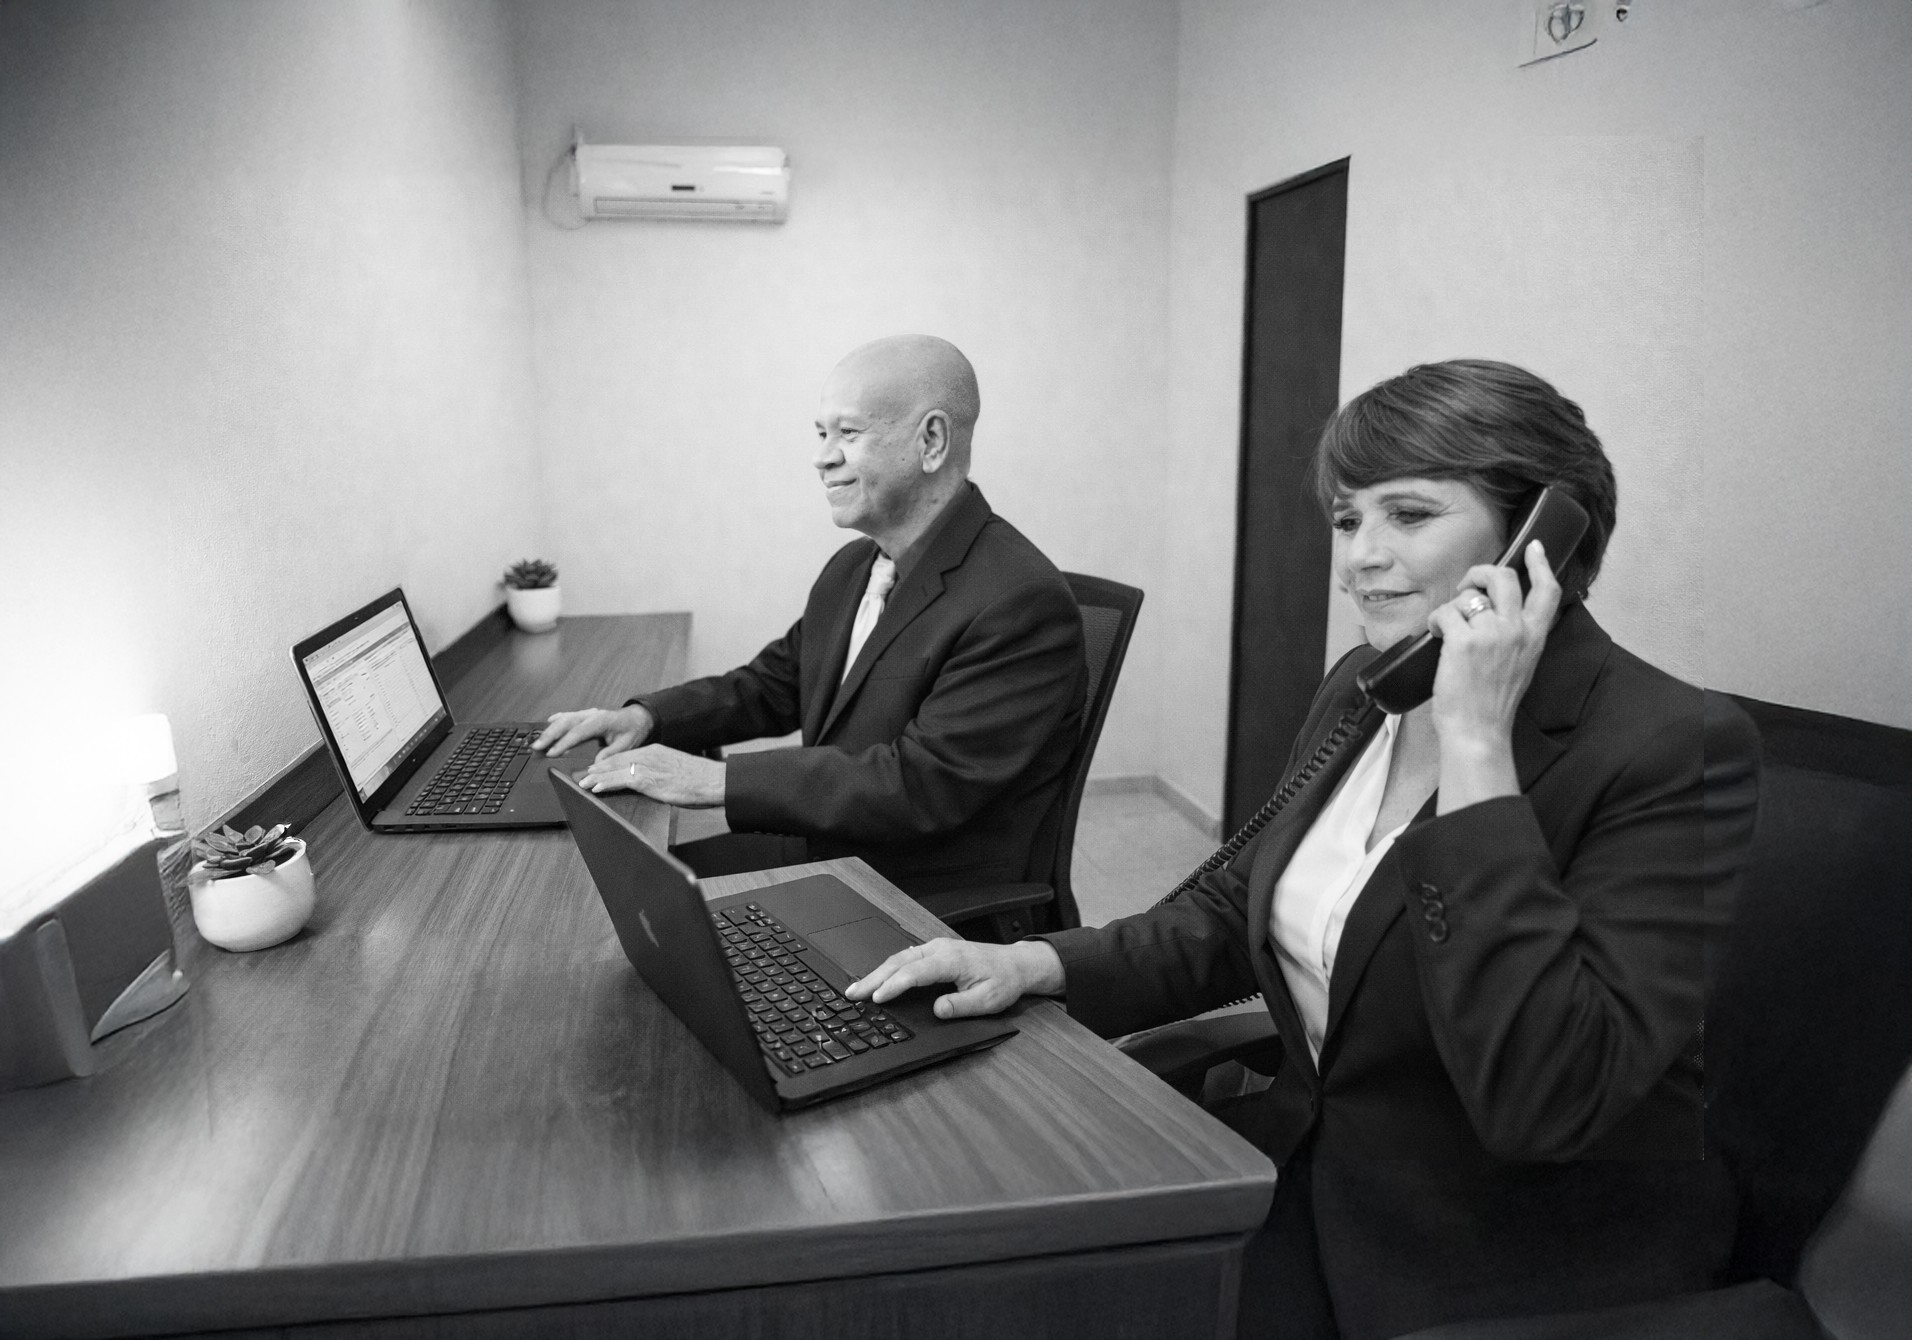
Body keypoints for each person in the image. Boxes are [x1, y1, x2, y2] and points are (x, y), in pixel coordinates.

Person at [848, 359, 1760, 1338]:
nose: (1358, 557)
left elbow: (1545, 1094)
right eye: (1344, 518)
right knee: (969, 1265)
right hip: (1303, 1169)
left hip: (1508, 1246)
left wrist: (1476, 746)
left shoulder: (1671, 746)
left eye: (1408, 516)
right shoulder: (1364, 686)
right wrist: (1032, 958)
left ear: (1543, 536)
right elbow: (1227, 911)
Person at [535, 335, 1086, 898]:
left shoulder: (1018, 601)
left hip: (910, 889)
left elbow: (920, 785)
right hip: (830, 845)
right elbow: (777, 683)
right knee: (619, 887)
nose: (822, 456)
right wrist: (648, 719)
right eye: (821, 434)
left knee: (636, 911)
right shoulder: (854, 566)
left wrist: (718, 781)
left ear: (932, 441)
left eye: (848, 434)